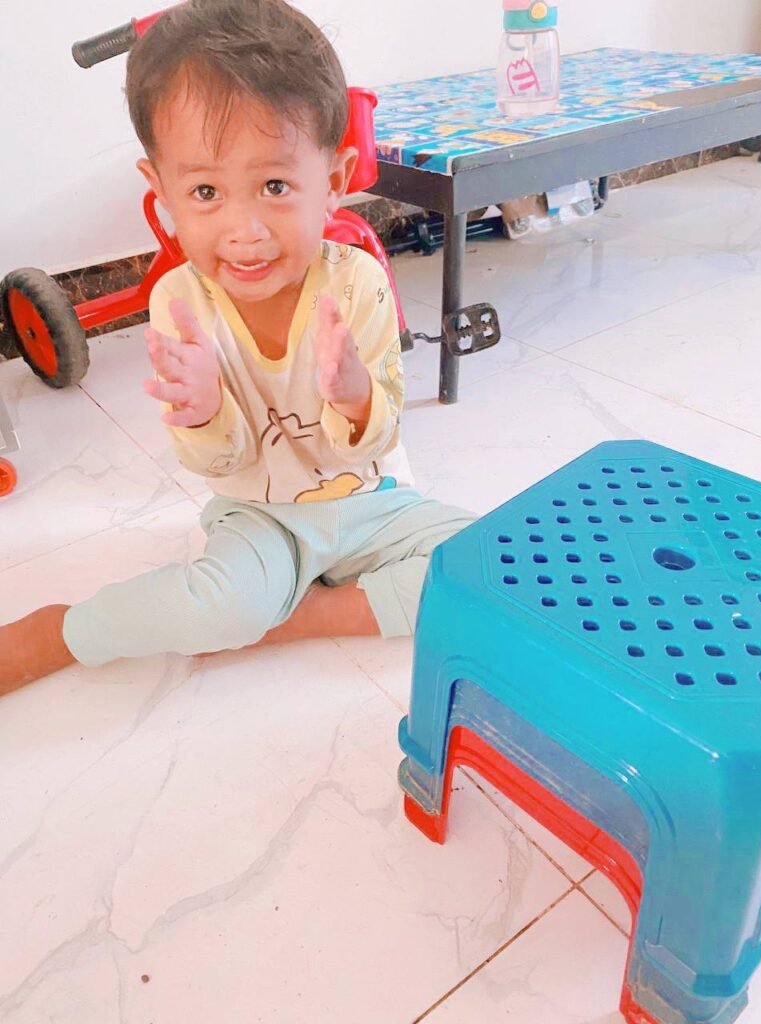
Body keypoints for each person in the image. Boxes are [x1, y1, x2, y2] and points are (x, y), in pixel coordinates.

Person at [0, 0, 474, 696]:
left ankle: (292, 618)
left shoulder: (359, 284)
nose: (243, 230)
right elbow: (221, 464)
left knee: (484, 563)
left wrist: (354, 393)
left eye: (276, 185)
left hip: (371, 499)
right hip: (261, 516)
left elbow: (368, 444)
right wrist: (201, 413)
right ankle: (64, 631)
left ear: (336, 181)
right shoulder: (180, 304)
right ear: (161, 192)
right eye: (205, 192)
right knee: (222, 603)